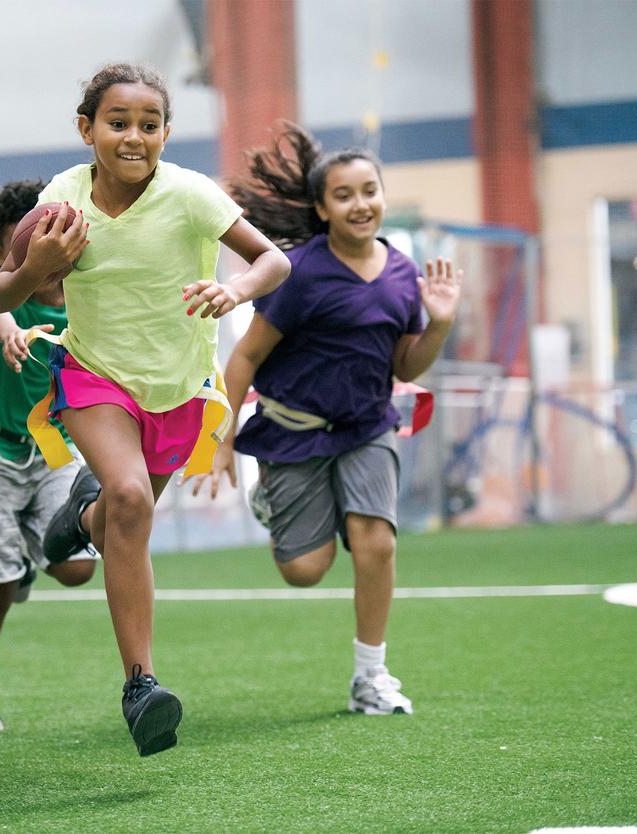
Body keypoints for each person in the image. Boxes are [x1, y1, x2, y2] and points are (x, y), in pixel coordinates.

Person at [0, 63, 291, 756]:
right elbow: (3, 296)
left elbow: (274, 261)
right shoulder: (62, 200)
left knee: (122, 514)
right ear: (86, 129)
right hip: (94, 377)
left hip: (178, 390)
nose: (133, 137)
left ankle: (79, 518)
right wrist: (37, 266)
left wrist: (236, 291)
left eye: (149, 125)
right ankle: (141, 685)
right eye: (117, 123)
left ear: (166, 134)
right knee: (130, 497)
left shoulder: (190, 194)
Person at [191, 123, 462, 715]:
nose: (359, 204)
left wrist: (439, 324)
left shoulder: (402, 273)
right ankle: (282, 504)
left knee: (375, 543)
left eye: (369, 191)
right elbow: (245, 358)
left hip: (368, 428)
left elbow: (405, 363)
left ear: (383, 196)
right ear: (321, 208)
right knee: (304, 570)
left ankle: (371, 676)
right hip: (292, 432)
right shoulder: (299, 274)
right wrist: (220, 442)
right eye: (343, 195)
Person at [0, 179, 98, 733]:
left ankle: (26, 554)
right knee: (1, 581)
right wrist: (9, 327)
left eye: (52, 241)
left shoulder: (89, 292)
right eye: (25, 246)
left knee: (78, 568)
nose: (43, 257)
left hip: (52, 446)